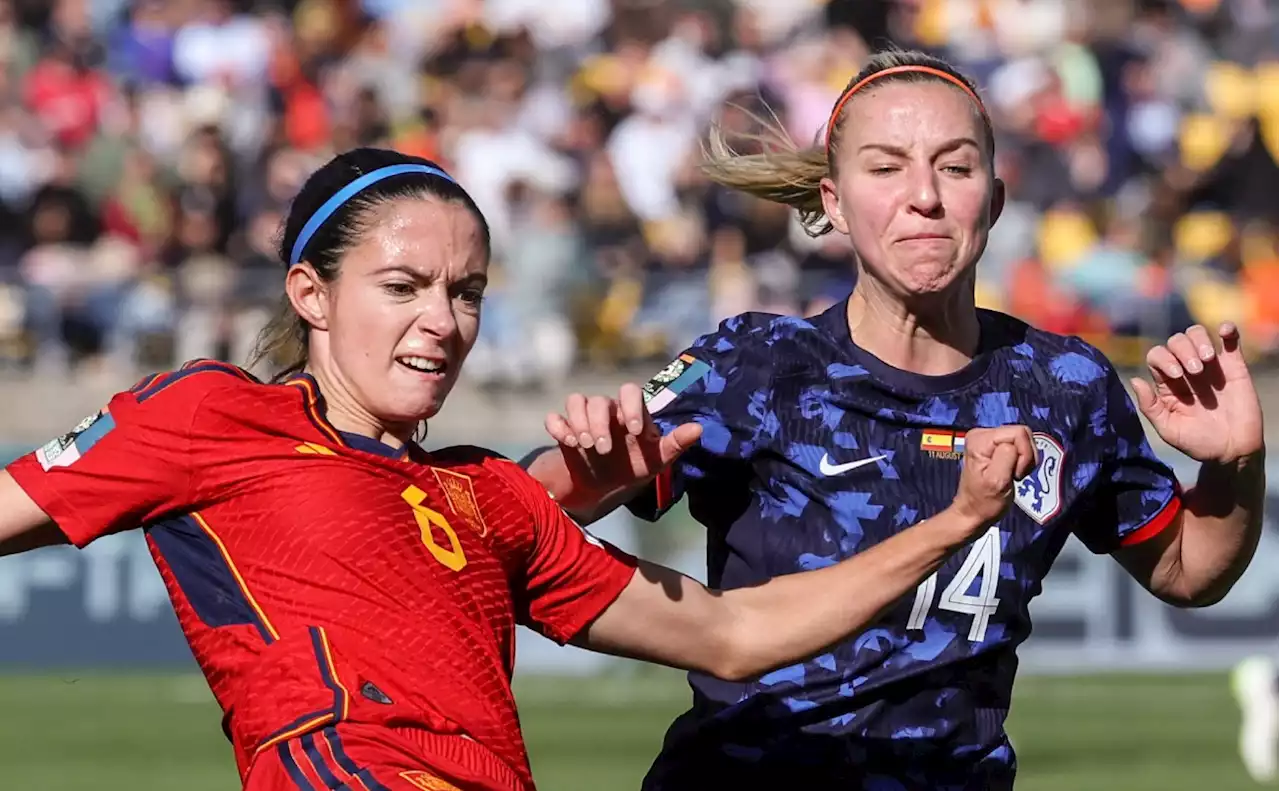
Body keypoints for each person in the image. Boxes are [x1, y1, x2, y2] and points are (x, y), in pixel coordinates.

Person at [0, 147, 1043, 791]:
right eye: (402, 284)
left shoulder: (486, 493)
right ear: (310, 295)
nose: (440, 322)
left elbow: (734, 633)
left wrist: (951, 523)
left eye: (465, 292)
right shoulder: (216, 415)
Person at [524, 50, 1267, 790]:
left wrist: (1235, 462)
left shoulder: (1067, 385)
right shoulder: (754, 366)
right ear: (834, 201)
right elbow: (527, 508)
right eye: (885, 168)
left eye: (955, 166)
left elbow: (1187, 568)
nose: (925, 196)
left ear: (997, 199)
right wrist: (585, 478)